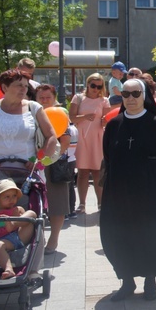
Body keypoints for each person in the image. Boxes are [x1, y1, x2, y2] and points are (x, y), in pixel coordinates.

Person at [100, 79, 156, 301]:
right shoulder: (115, 125)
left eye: (135, 93)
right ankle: (127, 281)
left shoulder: (155, 124)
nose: (130, 98)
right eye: (126, 94)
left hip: (148, 190)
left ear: (144, 96)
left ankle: (150, 280)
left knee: (149, 233)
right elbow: (108, 156)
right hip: (120, 190)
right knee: (122, 233)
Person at [35, 84, 72, 254]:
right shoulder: (31, 112)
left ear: (54, 97)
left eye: (47, 97)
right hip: (33, 163)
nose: (44, 101)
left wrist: (50, 158)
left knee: (57, 202)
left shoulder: (60, 113)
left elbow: (65, 140)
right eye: (41, 97)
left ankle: (53, 240)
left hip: (53, 163)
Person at [68, 73, 111, 213]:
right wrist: (84, 117)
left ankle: (101, 203)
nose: (95, 89)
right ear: (87, 84)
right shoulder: (78, 98)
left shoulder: (104, 100)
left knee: (98, 171)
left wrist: (105, 120)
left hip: (98, 137)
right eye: (93, 85)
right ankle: (82, 204)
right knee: (82, 172)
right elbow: (72, 117)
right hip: (82, 137)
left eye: (99, 86)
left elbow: (107, 119)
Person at [0, 179, 38, 279]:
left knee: (31, 214)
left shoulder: (18, 209)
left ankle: (13, 223)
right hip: (5, 241)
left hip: (20, 235)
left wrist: (17, 218)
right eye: (7, 197)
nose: (11, 199)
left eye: (14, 196)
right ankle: (9, 270)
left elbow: (26, 222)